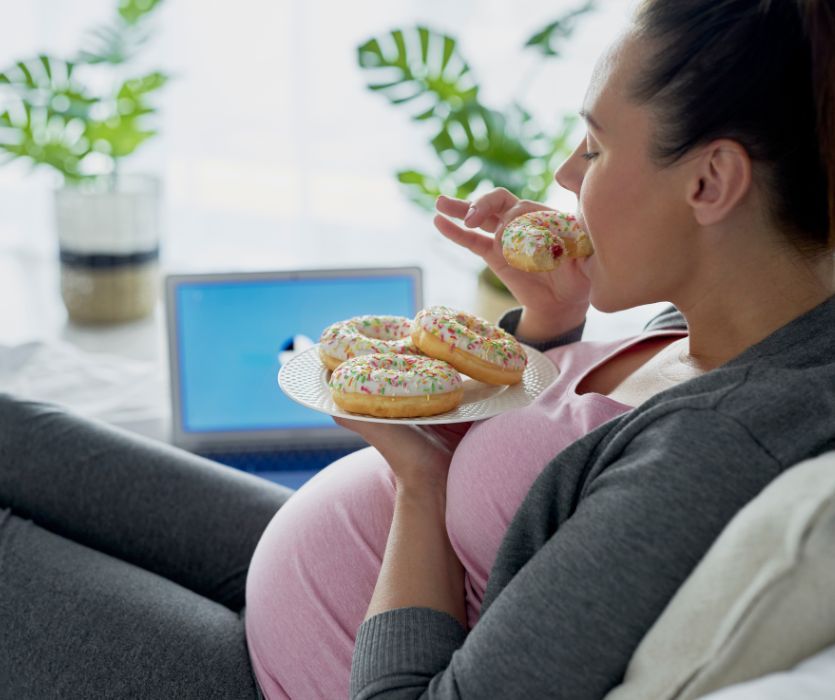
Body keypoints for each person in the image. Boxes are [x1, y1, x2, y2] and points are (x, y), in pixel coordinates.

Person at [1, 0, 833, 698]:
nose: (564, 175)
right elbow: (551, 460)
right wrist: (548, 323)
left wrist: (418, 478)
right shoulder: (724, 325)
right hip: (321, 573)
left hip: (285, 674)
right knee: (16, 430)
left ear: (709, 181)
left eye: (595, 146)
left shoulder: (716, 446)